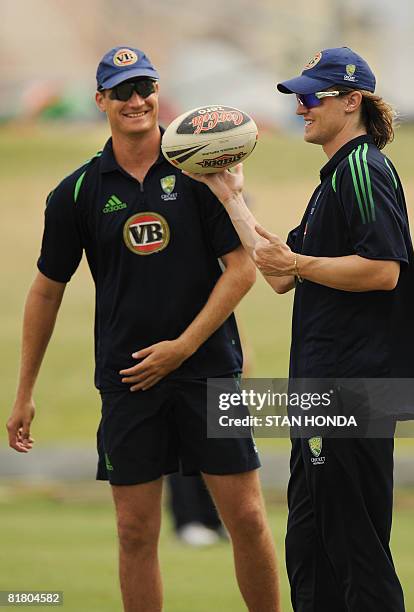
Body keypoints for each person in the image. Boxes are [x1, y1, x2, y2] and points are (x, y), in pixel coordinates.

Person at [6, 46, 281, 612]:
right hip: (129, 380)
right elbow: (46, 290)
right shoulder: (76, 192)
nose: (137, 100)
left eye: (145, 87)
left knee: (249, 519)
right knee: (135, 533)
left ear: (158, 93)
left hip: (207, 372)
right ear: (101, 100)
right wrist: (25, 390)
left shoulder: (202, 172)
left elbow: (241, 270)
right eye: (123, 90)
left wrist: (183, 347)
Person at [186, 47, 414, 612]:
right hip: (322, 393)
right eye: (298, 95)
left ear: (352, 101)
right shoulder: (334, 179)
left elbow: (382, 270)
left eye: (313, 96)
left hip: (354, 391)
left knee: (355, 555)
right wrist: (230, 195)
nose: (301, 107)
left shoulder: (363, 169)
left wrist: (300, 265)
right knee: (312, 556)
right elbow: (280, 273)